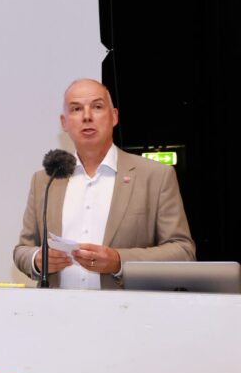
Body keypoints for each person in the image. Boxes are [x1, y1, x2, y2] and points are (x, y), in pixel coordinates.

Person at [13, 78, 195, 289]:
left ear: (114, 116)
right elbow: (22, 250)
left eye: (97, 107)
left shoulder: (154, 176)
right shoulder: (45, 179)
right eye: (76, 109)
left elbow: (183, 251)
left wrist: (119, 261)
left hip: (128, 314)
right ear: (64, 123)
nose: (87, 116)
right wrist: (37, 259)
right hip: (58, 314)